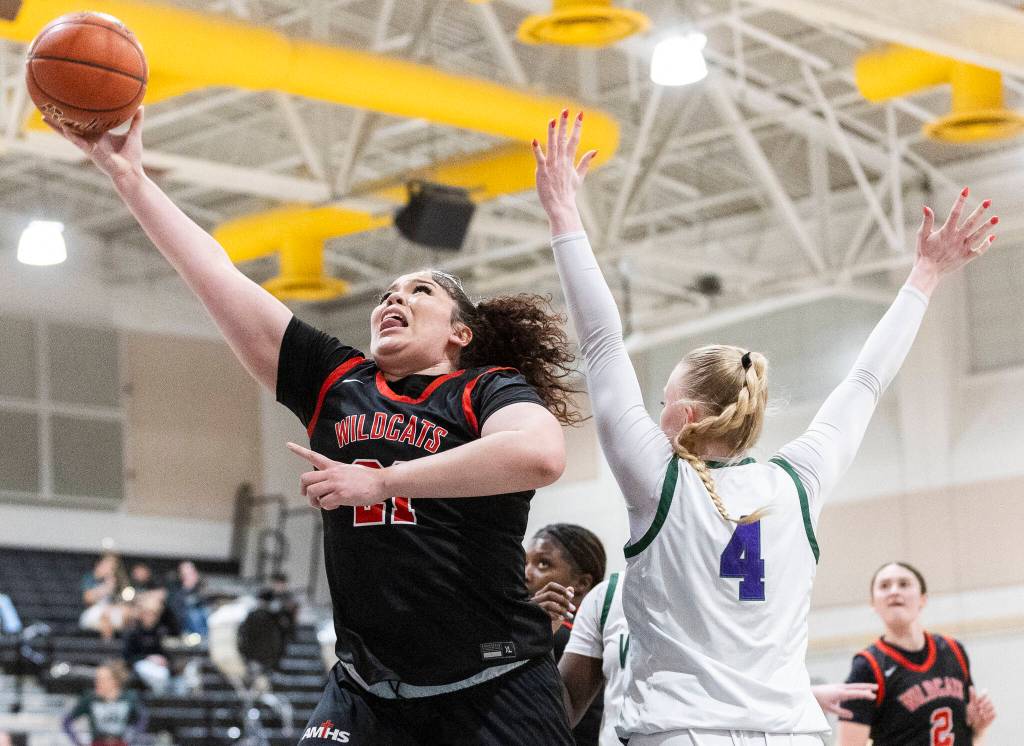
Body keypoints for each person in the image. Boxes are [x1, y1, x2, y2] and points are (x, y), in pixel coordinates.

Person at [53, 109, 578, 745]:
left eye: (419, 293)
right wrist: (130, 177)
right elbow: (216, 275)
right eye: (387, 292)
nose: (393, 299)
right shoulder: (337, 380)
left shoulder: (484, 389)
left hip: (493, 682)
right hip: (367, 690)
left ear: (459, 333)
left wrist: (383, 483)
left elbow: (541, 454)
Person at [533, 109, 997, 744]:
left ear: (685, 416)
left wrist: (564, 215)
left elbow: (602, 341)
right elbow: (866, 380)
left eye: (664, 396)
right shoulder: (798, 482)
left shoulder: (657, 480)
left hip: (683, 732)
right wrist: (925, 276)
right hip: (791, 733)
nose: (657, 409)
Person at [542, 578, 877, 745]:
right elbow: (562, 711)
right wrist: (536, 639)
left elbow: (736, 683)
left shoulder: (731, 587)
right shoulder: (608, 595)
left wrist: (807, 696)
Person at [836, 562, 996, 745]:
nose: (894, 591)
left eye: (904, 584)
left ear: (923, 599)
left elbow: (971, 736)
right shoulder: (867, 666)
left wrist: (979, 729)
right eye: (884, 586)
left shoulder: (953, 650)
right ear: (873, 603)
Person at [526, 523, 607, 745]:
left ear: (581, 583)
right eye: (524, 563)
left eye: (543, 563)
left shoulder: (563, 635)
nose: (526, 574)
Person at [62, 660, 147, 746]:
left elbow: (141, 718)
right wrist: (78, 742)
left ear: (115, 681)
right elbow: (67, 721)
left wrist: (132, 738)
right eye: (97, 679)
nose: (97, 683)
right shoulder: (90, 699)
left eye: (102, 680)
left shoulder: (129, 697)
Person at [79, 553, 129, 640]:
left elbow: (121, 600)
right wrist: (106, 587)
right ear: (100, 564)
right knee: (105, 615)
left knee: (127, 612)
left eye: (113, 567)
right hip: (92, 612)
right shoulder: (90, 578)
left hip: (112, 610)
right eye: (108, 565)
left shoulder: (116, 581)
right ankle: (107, 646)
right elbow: (88, 599)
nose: (110, 569)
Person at [167, 561, 209, 638]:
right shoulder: (176, 591)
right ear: (180, 576)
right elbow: (176, 611)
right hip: (184, 623)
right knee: (194, 615)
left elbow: (207, 604)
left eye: (191, 573)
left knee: (206, 612)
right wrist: (187, 589)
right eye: (185, 574)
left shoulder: (201, 588)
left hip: (203, 620)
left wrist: (198, 588)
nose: (188, 577)